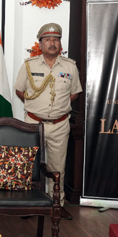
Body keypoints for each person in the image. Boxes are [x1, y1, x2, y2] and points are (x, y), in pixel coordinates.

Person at [14, 23, 82, 210]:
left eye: (56, 39)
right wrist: (35, 106)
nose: (52, 43)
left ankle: (56, 206)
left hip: (59, 125)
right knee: (28, 166)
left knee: (57, 169)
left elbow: (74, 93)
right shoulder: (29, 65)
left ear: (60, 43)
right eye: (48, 39)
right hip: (33, 123)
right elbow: (20, 90)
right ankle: (27, 205)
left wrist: (58, 107)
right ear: (41, 43)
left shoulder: (70, 66)